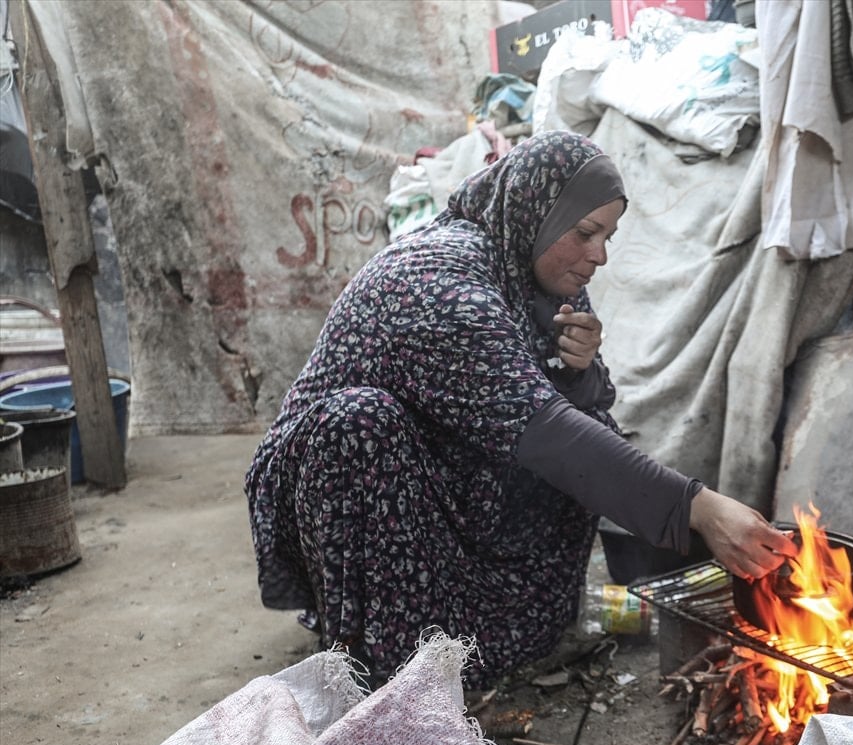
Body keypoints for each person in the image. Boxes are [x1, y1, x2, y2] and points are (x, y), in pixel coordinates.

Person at [245, 130, 799, 689]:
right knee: (361, 425)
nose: (599, 256)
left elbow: (576, 414)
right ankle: (386, 661)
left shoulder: (541, 275)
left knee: (584, 445)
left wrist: (578, 374)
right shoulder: (438, 282)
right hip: (353, 481)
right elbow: (546, 434)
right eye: (585, 233)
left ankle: (495, 634)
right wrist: (698, 510)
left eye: (607, 236)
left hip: (440, 468)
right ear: (535, 211)